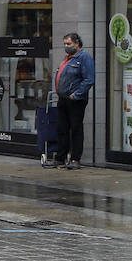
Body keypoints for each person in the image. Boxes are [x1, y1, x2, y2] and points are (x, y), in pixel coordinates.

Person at [54, 32, 94, 170]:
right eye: (65, 44)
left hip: (75, 99)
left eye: (69, 43)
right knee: (62, 129)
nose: (66, 46)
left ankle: (75, 159)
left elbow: (89, 79)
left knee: (76, 129)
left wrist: (76, 94)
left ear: (77, 43)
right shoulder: (68, 59)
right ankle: (60, 158)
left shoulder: (84, 57)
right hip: (63, 98)